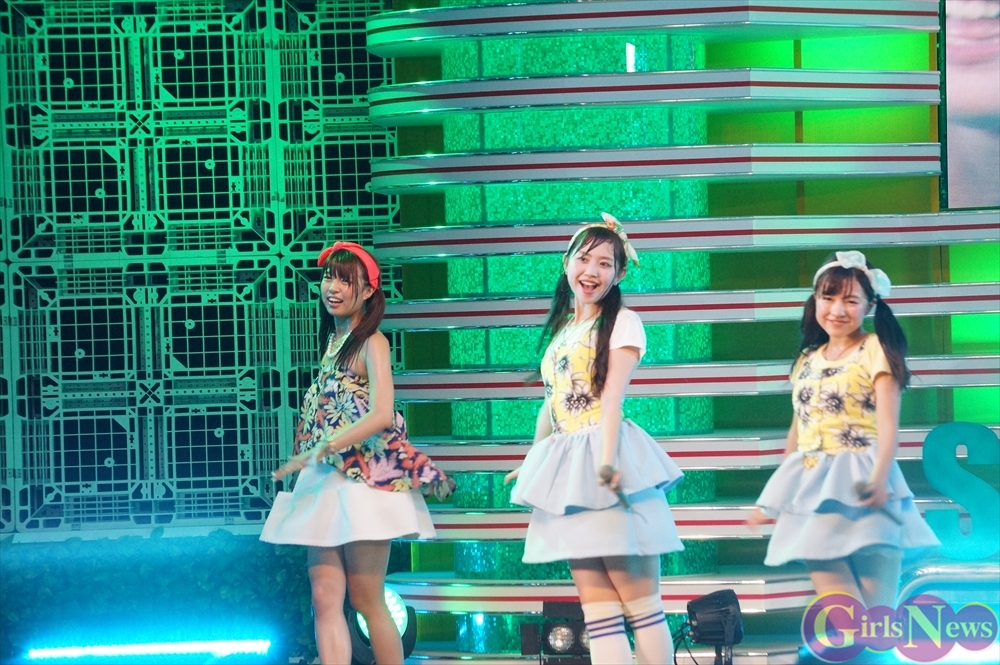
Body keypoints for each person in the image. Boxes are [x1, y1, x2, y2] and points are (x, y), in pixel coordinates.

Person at [261, 242, 454, 665]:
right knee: (323, 597)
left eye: (345, 281)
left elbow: (383, 413)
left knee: (366, 598)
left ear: (367, 291)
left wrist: (328, 444)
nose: (332, 287)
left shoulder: (373, 341)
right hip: (325, 481)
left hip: (364, 481)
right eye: (328, 277)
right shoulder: (333, 341)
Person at [507, 214, 685, 665]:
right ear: (566, 262)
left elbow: (611, 399)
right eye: (584, 259)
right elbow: (550, 403)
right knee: (599, 614)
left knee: (642, 607)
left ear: (619, 274)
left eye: (605, 264)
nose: (592, 271)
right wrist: (532, 461)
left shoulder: (623, 322)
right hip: (570, 469)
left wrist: (606, 461)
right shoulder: (564, 330)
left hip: (606, 461)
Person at [747, 251, 939, 611]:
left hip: (863, 479)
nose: (837, 309)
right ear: (815, 300)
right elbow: (798, 431)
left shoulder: (875, 349)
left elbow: (888, 425)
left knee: (877, 613)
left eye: (850, 301)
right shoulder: (807, 359)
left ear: (869, 305)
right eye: (828, 297)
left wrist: (879, 480)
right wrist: (775, 499)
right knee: (844, 606)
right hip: (814, 484)